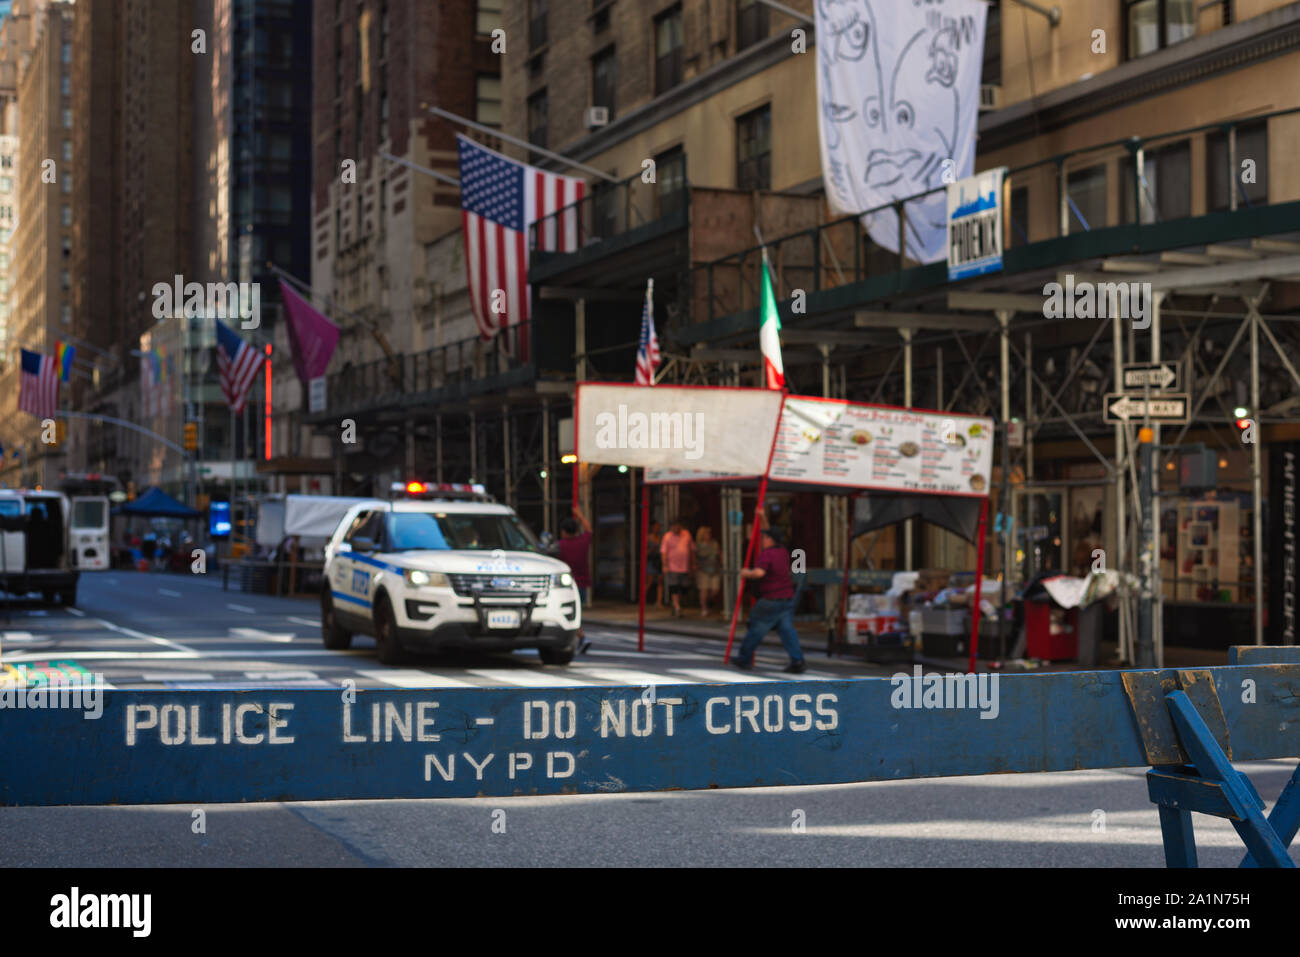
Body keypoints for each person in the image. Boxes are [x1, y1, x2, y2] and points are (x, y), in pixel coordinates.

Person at [730, 510, 806, 674]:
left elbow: (759, 573)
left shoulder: (767, 554)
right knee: (787, 631)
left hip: (770, 599)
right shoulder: (783, 551)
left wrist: (745, 573)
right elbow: (768, 529)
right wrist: (762, 515)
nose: (762, 540)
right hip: (787, 598)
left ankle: (744, 658)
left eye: (765, 537)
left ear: (771, 540)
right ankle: (797, 660)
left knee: (756, 628)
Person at [557, 507, 593, 608]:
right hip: (582, 583)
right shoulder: (583, 542)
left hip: (566, 584)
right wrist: (580, 515)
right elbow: (589, 529)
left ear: (563, 531)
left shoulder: (560, 545)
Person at [660, 518, 694, 617]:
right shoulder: (667, 536)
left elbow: (691, 550)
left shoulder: (686, 534)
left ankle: (676, 603)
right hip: (673, 566)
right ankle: (677, 606)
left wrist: (693, 564)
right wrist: (665, 565)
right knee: (674, 586)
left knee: (684, 587)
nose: (676, 527)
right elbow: (664, 552)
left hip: (685, 566)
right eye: (674, 526)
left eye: (678, 525)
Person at [695, 525, 721, 617]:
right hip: (703, 570)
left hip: (714, 569)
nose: (708, 535)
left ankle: (707, 601)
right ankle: (704, 608)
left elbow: (718, 554)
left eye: (709, 533)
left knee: (715, 590)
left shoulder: (714, 543)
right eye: (706, 533)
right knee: (704, 589)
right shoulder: (698, 545)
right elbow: (695, 557)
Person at [645, 521, 664, 607]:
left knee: (660, 581)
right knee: (650, 581)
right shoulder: (648, 538)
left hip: (659, 561)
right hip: (651, 561)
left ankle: (659, 601)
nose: (657, 528)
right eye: (656, 527)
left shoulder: (661, 537)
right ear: (652, 528)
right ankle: (642, 599)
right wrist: (652, 549)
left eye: (658, 527)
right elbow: (645, 552)